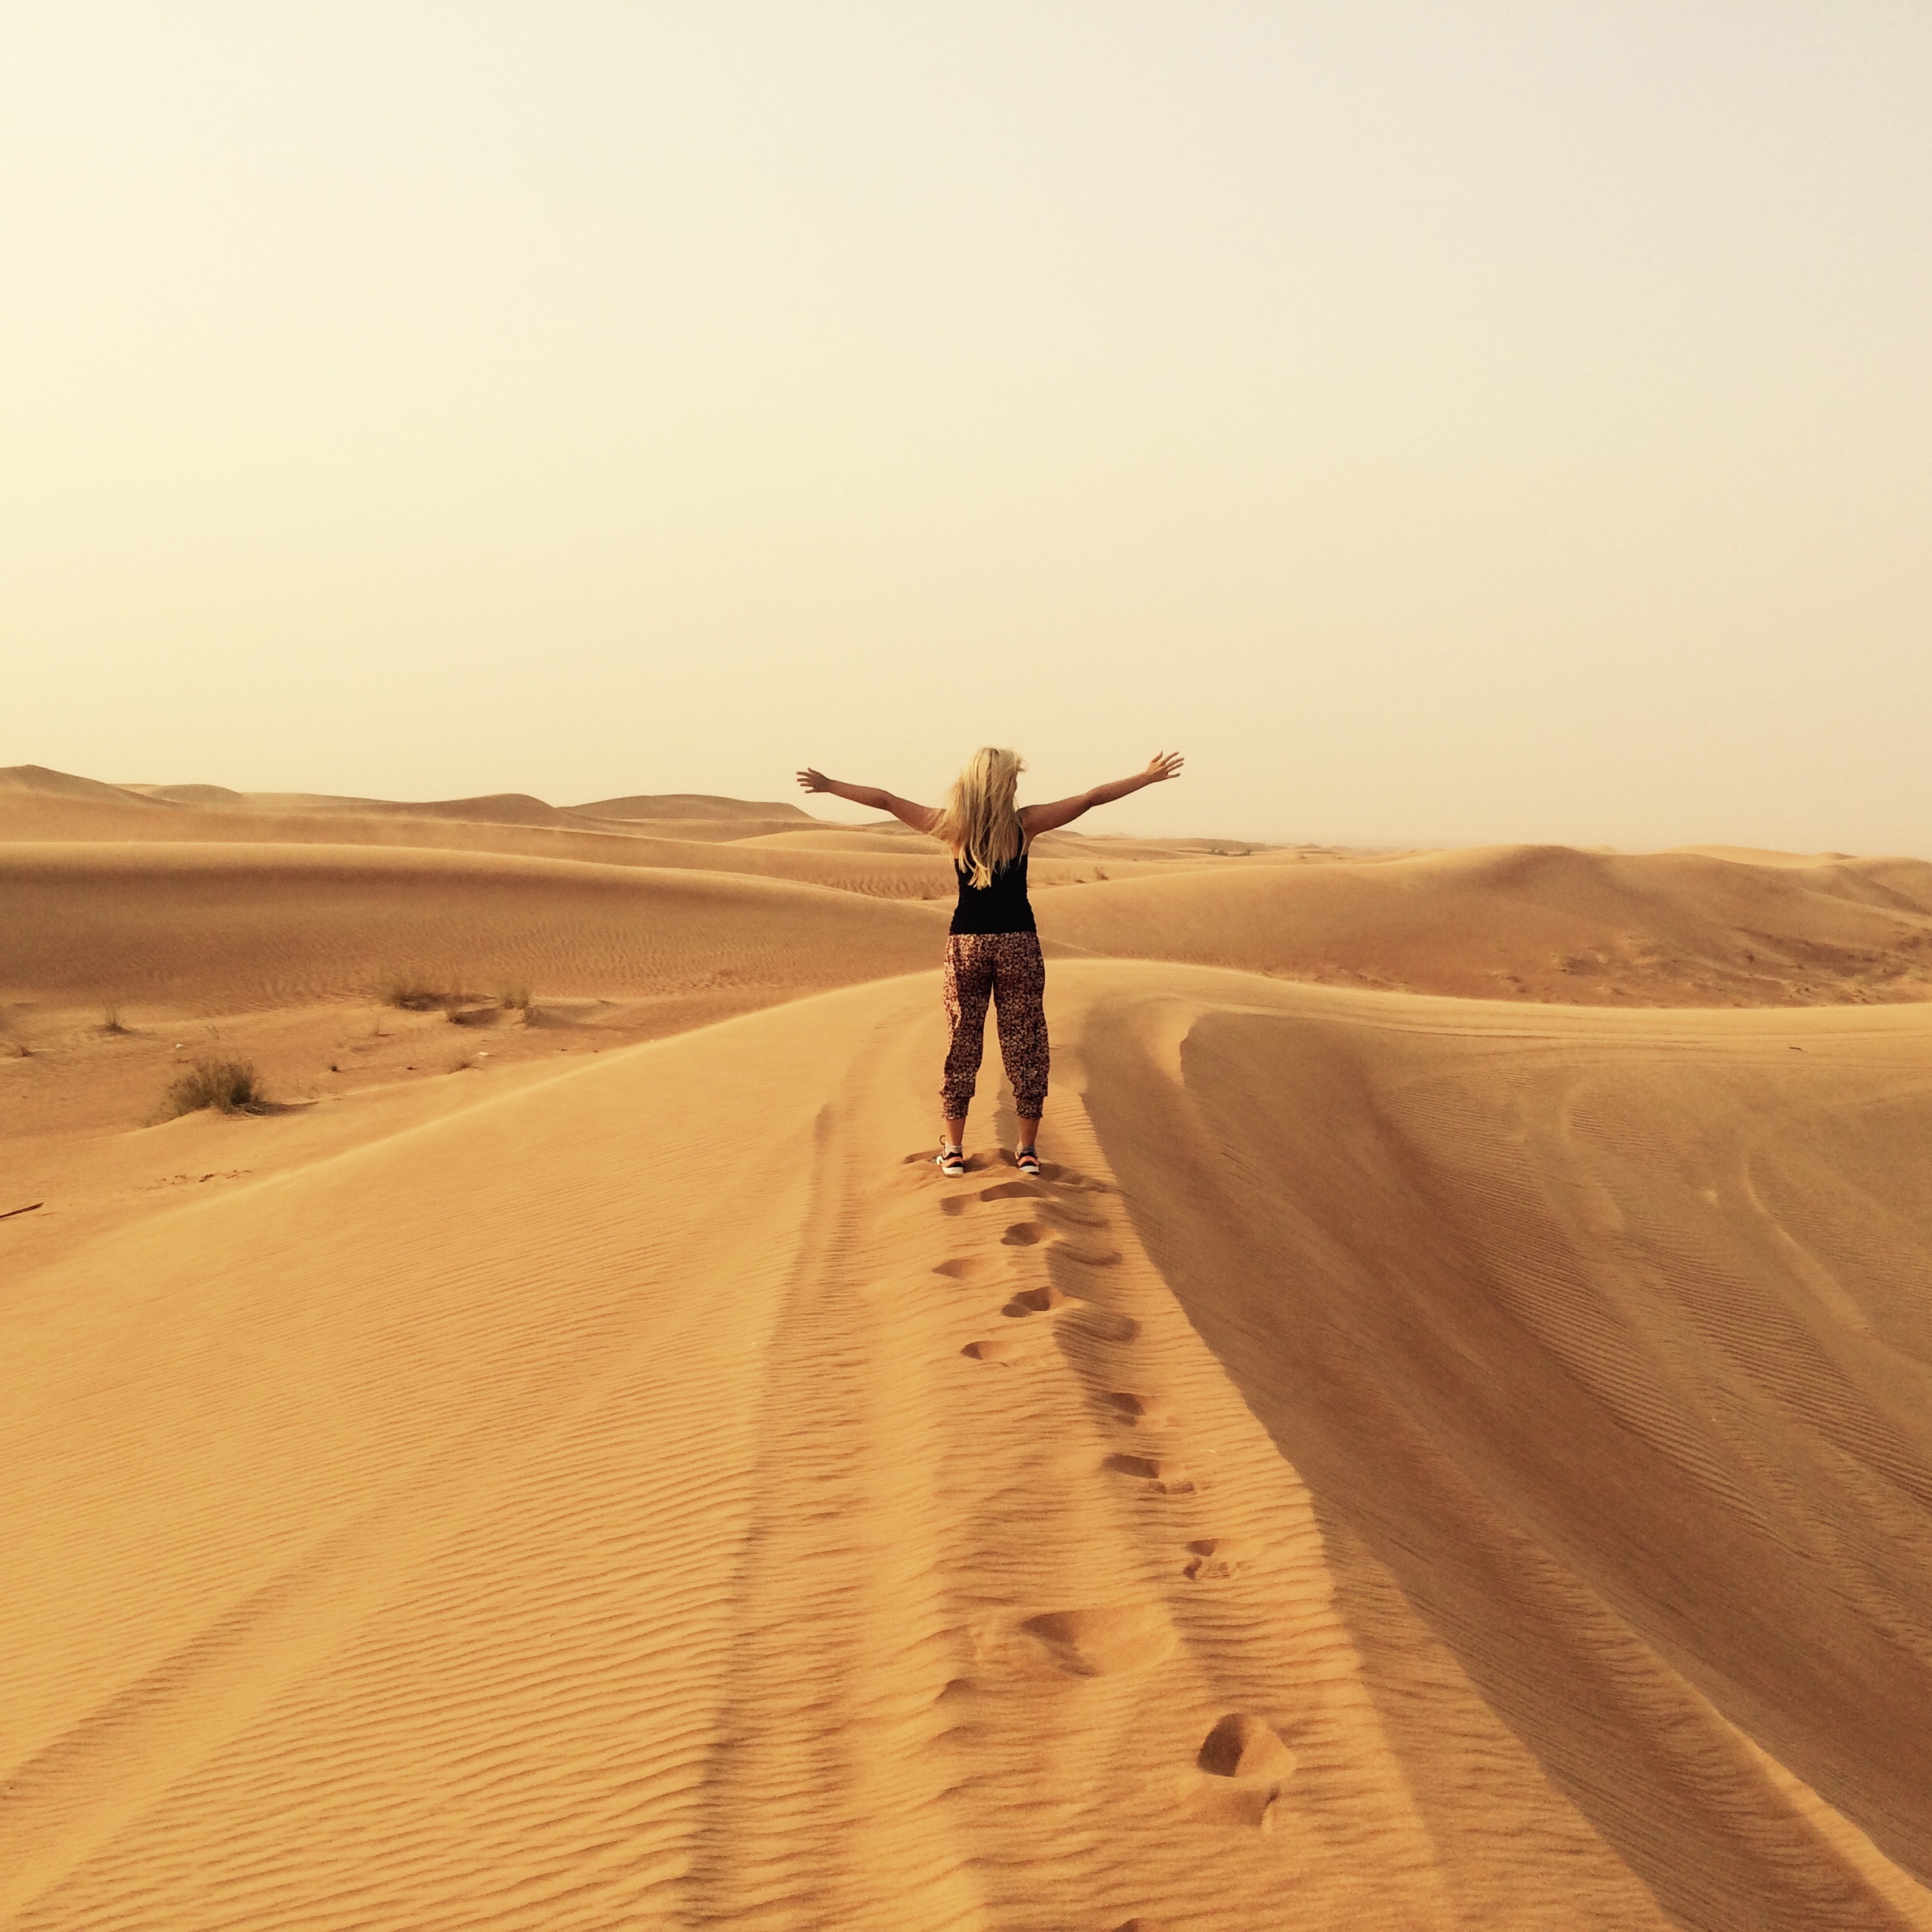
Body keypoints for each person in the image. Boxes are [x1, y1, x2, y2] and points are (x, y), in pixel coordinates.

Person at [796, 748, 1185, 1176]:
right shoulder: (1025, 824)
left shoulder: (953, 826)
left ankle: (954, 1151)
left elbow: (886, 800)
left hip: (967, 946)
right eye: (1013, 778)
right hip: (1018, 944)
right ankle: (1027, 1151)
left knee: (961, 1041)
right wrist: (1145, 777)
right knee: (1025, 1041)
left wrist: (830, 786)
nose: (1017, 784)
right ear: (1003, 785)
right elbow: (1090, 798)